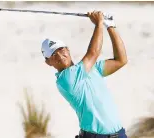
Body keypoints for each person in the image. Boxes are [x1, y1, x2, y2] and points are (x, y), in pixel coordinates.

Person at [41, 10, 128, 138]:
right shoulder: (65, 79)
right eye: (53, 54)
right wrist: (99, 23)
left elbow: (121, 60)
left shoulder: (91, 68)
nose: (60, 56)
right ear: (48, 62)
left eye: (61, 49)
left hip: (119, 134)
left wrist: (110, 26)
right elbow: (93, 53)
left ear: (68, 50)